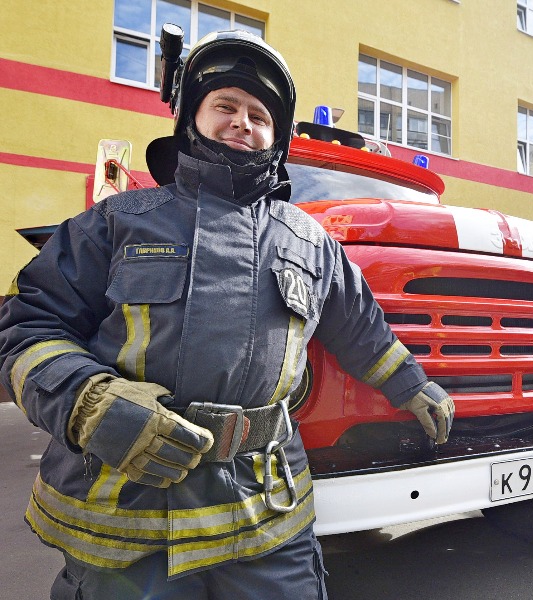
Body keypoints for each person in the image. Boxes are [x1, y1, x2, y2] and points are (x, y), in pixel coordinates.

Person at [0, 28, 454, 599]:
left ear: (277, 137)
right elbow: (26, 328)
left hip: (265, 513)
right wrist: (88, 402)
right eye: (226, 106)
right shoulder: (116, 222)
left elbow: (361, 328)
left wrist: (415, 386)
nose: (243, 121)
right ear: (191, 118)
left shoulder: (311, 242)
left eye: (259, 114)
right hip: (129, 514)